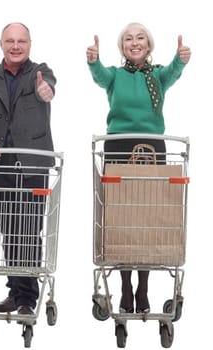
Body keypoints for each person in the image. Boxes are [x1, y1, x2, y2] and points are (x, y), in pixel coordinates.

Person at [86, 23, 190, 314]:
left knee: (147, 216)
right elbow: (99, 75)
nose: (134, 42)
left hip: (152, 145)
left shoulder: (157, 76)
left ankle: (143, 288)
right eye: (128, 39)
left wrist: (181, 58)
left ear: (148, 44)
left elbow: (173, 71)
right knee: (121, 216)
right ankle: (125, 287)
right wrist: (93, 60)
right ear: (122, 47)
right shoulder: (115, 76)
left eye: (140, 37)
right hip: (118, 144)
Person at [0, 22, 57, 316]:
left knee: (30, 231)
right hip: (1, 163)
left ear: (30, 44)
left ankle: (27, 298)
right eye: (10, 41)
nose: (16, 46)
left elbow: (48, 85)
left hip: (34, 164)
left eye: (21, 41)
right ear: (1, 44)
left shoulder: (40, 72)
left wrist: (46, 90)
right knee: (10, 231)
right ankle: (15, 291)